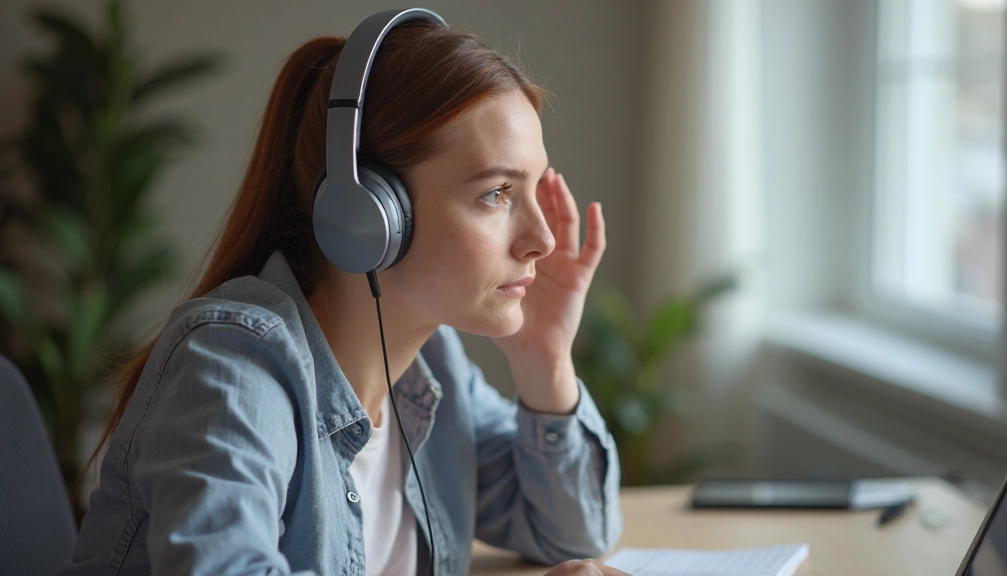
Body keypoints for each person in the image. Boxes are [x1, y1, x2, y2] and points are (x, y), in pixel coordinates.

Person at [62, 15, 625, 576]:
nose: (543, 239)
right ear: (372, 214)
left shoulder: (431, 368)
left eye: (534, 188)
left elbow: (571, 530)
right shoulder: (235, 368)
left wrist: (545, 361)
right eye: (496, 193)